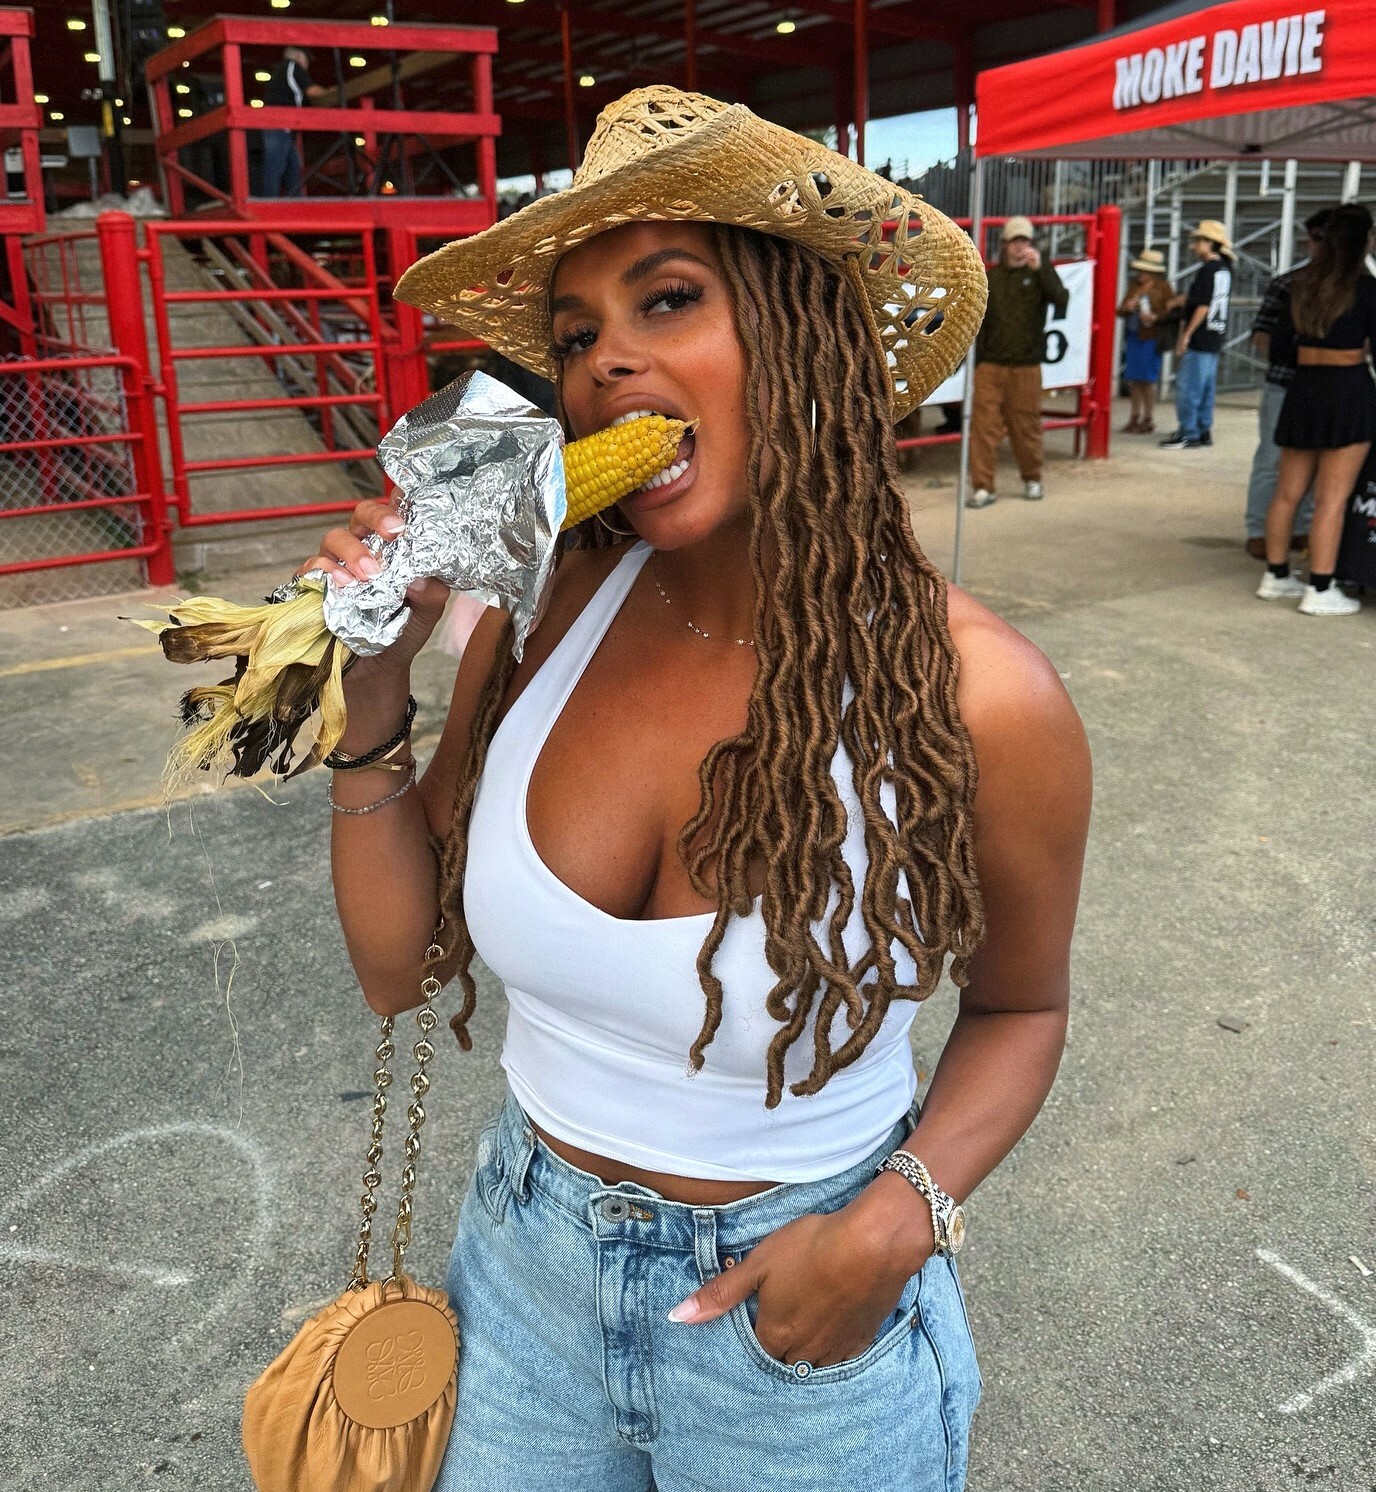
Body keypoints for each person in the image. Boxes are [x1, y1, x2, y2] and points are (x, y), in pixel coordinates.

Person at [300, 87, 1090, 1490]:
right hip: (524, 1280)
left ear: (803, 334)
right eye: (578, 336)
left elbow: (1022, 1009)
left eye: (668, 299)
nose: (607, 363)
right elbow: (396, 968)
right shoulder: (533, 622)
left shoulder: (980, 697)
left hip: (802, 1322)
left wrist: (893, 1227)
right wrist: (373, 703)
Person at [1259, 202, 1376, 617]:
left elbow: (1278, 348)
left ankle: (1275, 575)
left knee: (1287, 492)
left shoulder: (1300, 284)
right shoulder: (1367, 288)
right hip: (1349, 391)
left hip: (1303, 389)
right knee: (1332, 498)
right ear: (1364, 240)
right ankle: (1320, 587)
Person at [1243, 209, 1332, 559]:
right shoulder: (1287, 284)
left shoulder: (1354, 287)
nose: (1316, 246)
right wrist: (1290, 357)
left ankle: (1301, 529)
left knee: (1317, 458)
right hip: (1286, 383)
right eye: (1315, 239)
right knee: (1272, 457)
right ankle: (1258, 529)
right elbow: (1260, 334)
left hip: (1319, 385)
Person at [966, 214, 1070, 508]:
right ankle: (983, 486)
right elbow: (979, 323)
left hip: (1026, 366)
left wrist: (1042, 268)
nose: (1019, 246)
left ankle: (1032, 478)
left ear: (1031, 243)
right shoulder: (992, 278)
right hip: (991, 365)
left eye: (1024, 241)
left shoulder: (1039, 275)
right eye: (1015, 241)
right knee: (983, 428)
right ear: (1005, 244)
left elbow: (1062, 300)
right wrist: (978, 364)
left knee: (1026, 426)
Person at [1159, 220, 1234, 450]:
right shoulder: (1224, 268)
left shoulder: (1207, 270)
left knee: (1189, 388)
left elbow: (1203, 305)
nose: (1194, 246)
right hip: (1215, 334)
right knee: (1205, 388)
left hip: (1201, 336)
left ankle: (1188, 432)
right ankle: (1202, 429)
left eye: (1198, 241)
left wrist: (1187, 334)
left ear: (1210, 244)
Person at [1117, 248, 1176, 434]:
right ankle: (1134, 416)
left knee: (1148, 379)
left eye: (1144, 270)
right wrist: (1127, 307)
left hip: (1151, 337)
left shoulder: (1163, 287)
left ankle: (1148, 417)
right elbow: (1120, 310)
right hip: (1134, 335)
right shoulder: (1134, 286)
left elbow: (1171, 312)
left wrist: (1155, 317)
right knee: (1134, 379)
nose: (1140, 274)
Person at [260, 46, 325, 197]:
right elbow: (312, 91)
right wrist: (334, 93)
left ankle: (294, 203)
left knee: (292, 169)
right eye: (307, 60)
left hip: (278, 125)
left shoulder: (280, 71)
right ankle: (269, 204)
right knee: (275, 168)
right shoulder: (292, 66)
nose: (307, 65)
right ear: (299, 56)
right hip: (281, 125)